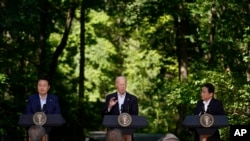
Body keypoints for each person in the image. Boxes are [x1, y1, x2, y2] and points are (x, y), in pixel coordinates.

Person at [102, 76, 139, 141]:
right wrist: (110, 107)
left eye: (124, 84)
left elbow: (135, 115)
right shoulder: (109, 97)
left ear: (126, 85)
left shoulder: (133, 99)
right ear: (116, 85)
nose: (122, 87)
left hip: (127, 132)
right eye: (120, 84)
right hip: (113, 132)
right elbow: (103, 114)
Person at [25, 77, 61, 141]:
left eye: (44, 86)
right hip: (34, 125)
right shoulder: (31, 98)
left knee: (42, 131)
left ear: (48, 87)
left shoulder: (54, 98)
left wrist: (45, 121)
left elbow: (57, 113)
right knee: (33, 130)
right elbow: (28, 112)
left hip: (49, 125)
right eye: (40, 85)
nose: (42, 87)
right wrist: (36, 121)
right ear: (37, 86)